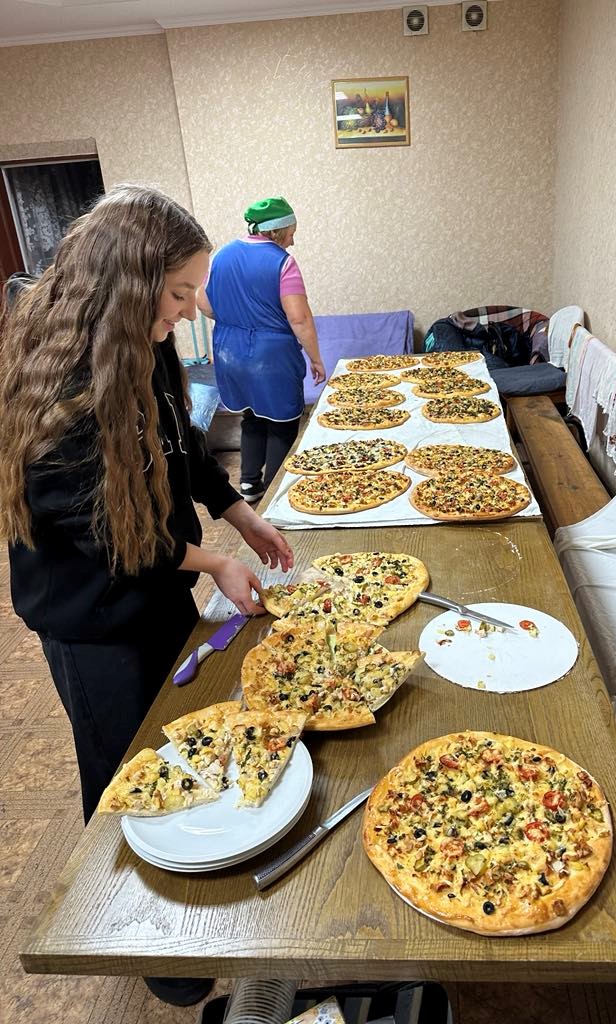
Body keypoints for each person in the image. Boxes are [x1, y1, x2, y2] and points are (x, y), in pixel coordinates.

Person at [0, 185, 294, 1007]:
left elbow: (180, 445)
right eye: (178, 293)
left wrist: (238, 511)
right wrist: (211, 561)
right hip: (91, 620)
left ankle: (194, 889)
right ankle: (151, 939)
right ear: (129, 288)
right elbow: (111, 537)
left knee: (182, 746)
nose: (191, 308)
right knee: (125, 772)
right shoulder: (56, 383)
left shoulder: (145, 341)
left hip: (156, 589)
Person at [197, 196, 325, 504]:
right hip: (271, 357)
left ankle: (249, 485)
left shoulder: (223, 256)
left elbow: (202, 301)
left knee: (251, 418)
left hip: (230, 353)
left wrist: (233, 320)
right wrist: (316, 358)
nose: (293, 241)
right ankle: (275, 493)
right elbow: (299, 317)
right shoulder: (282, 262)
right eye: (291, 233)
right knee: (283, 424)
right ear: (277, 231)